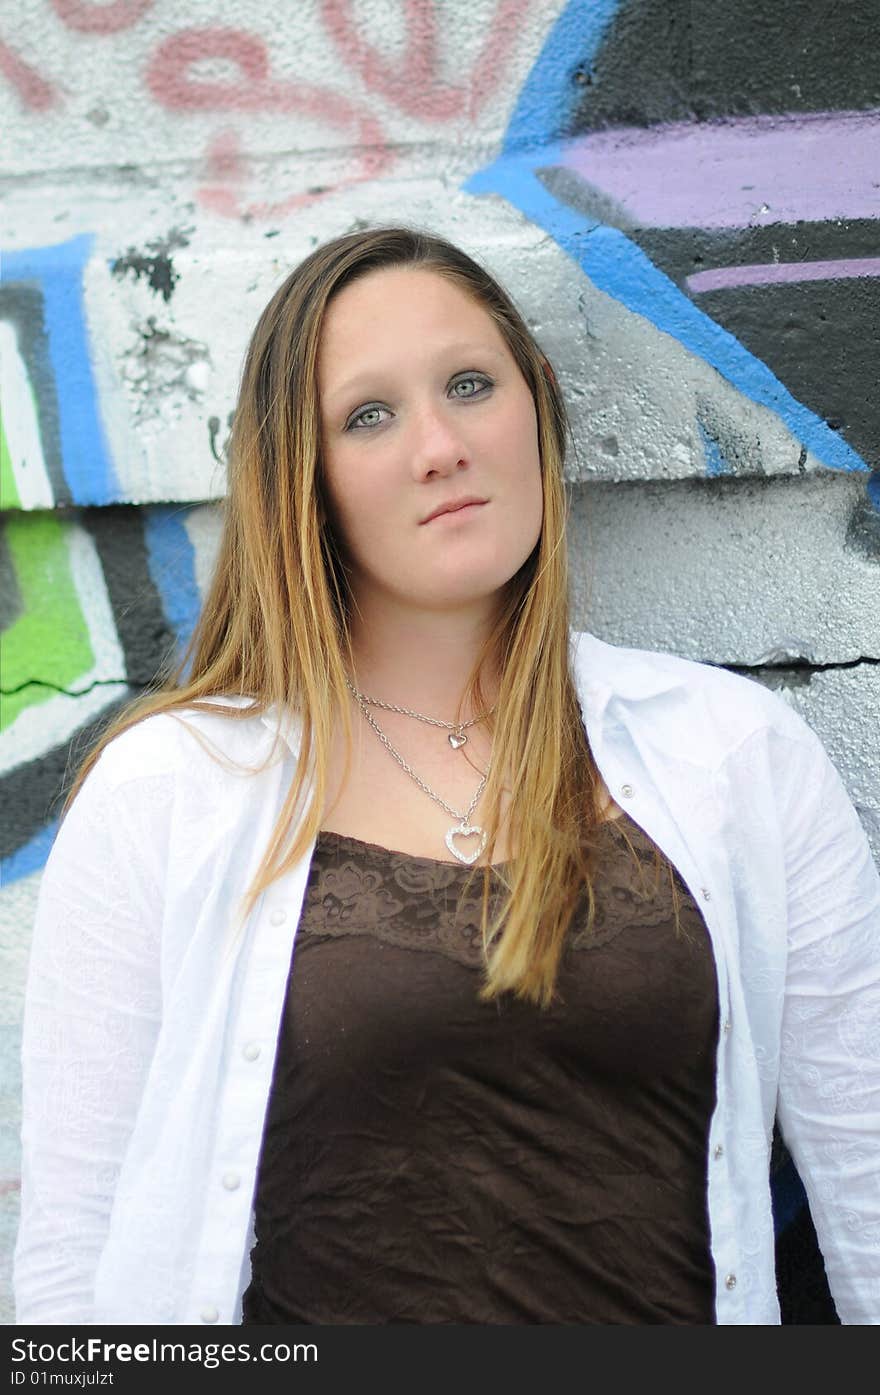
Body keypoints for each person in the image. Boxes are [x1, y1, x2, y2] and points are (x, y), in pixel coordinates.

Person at [13, 227, 880, 1327]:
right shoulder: (167, 792)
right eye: (366, 415)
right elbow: (73, 1253)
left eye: (469, 385)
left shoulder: (732, 754)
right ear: (304, 475)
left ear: (536, 404)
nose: (438, 445)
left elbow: (865, 1163)